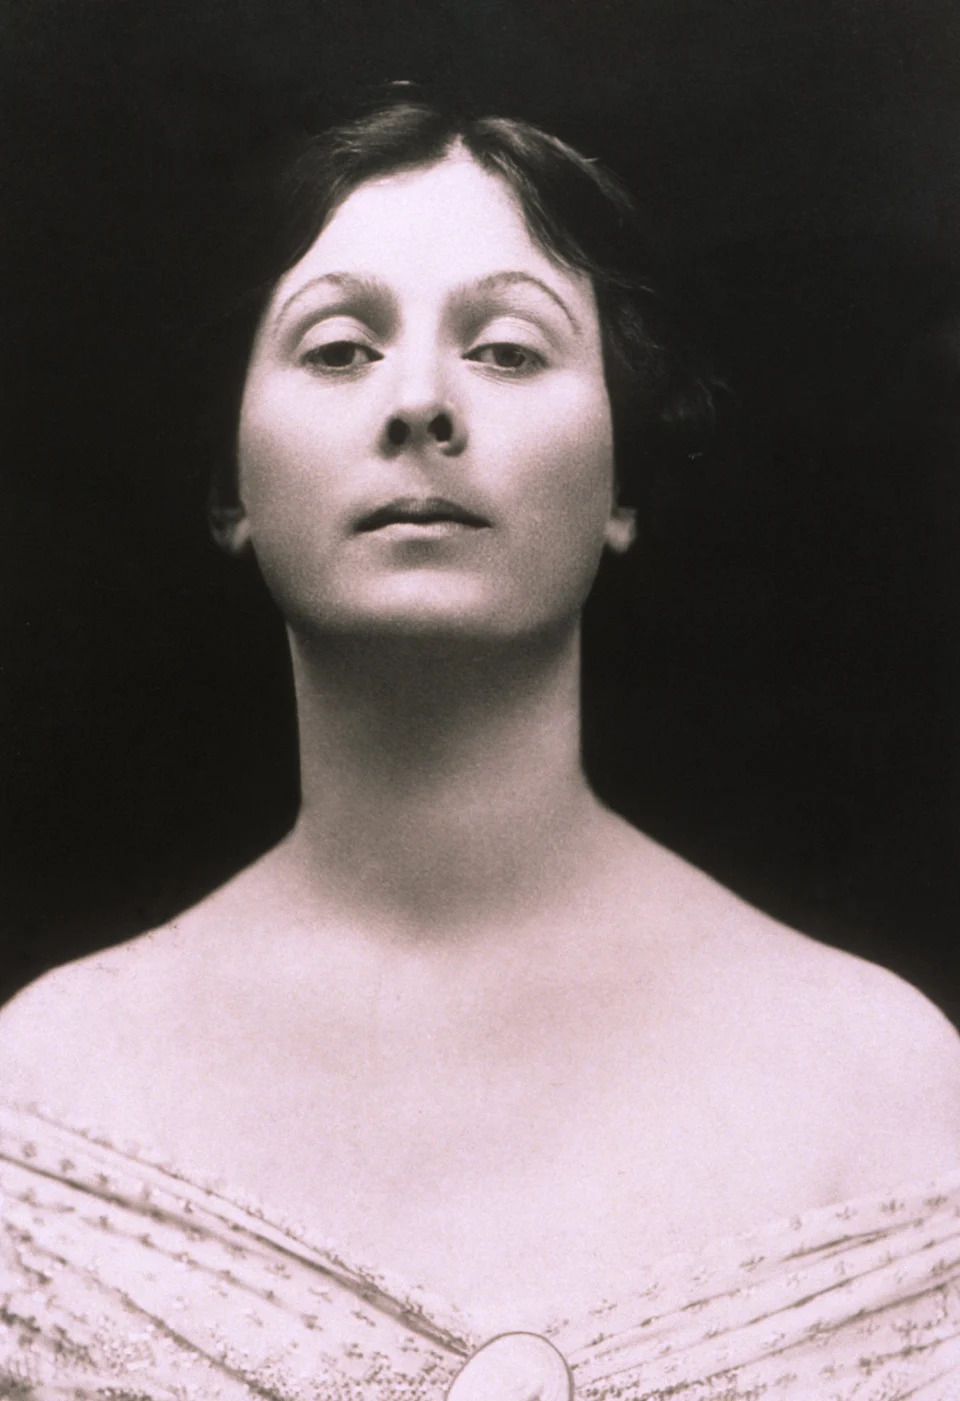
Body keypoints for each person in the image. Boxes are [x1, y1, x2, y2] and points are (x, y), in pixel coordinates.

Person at [1, 97, 959, 1401]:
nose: (420, 405)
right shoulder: (44, 1104)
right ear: (228, 482)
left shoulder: (888, 1093)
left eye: (508, 350)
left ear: (623, 479)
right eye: (338, 349)